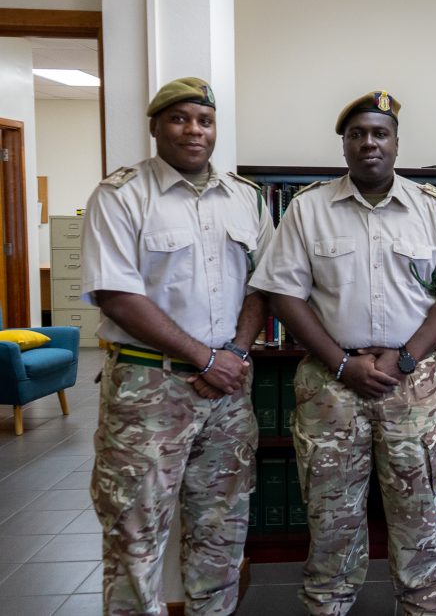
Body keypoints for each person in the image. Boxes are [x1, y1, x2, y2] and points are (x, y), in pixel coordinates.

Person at [249, 90, 436, 616]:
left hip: (412, 382)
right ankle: (329, 604)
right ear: (344, 145)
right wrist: (340, 362)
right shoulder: (308, 209)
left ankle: (424, 606)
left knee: (418, 515)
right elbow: (283, 293)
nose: (368, 143)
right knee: (331, 519)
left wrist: (406, 357)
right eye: (357, 134)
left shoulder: (433, 210)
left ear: (397, 143)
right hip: (331, 385)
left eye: (379, 133)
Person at [81, 77, 275, 615]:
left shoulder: (247, 198)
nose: (194, 130)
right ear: (155, 127)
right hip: (147, 389)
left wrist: (233, 352)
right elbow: (117, 296)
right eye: (180, 119)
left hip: (229, 390)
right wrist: (205, 357)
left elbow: (263, 286)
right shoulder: (121, 195)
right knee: (134, 536)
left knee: (221, 532)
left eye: (204, 120)